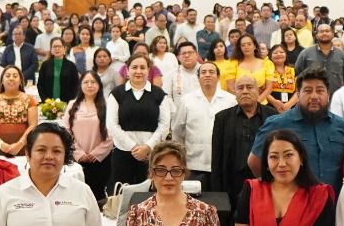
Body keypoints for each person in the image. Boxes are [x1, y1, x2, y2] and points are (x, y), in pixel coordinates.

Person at [248, 71, 344, 191]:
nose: (314, 96)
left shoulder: (343, 127)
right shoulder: (277, 124)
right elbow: (254, 161)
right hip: (291, 205)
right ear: (298, 95)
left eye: (320, 91)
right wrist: (276, 189)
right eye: (307, 91)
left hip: (333, 204)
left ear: (328, 94)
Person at [107, 55, 171, 186]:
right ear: (127, 70)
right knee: (122, 194)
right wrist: (134, 147)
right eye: (134, 67)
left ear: (149, 70)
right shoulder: (117, 94)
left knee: (148, 195)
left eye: (143, 67)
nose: (138, 71)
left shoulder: (159, 94)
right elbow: (112, 125)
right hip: (122, 153)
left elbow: (164, 125)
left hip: (151, 154)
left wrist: (147, 147)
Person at [170, 60, 237, 185]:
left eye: (211, 72)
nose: (207, 75)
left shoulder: (230, 100)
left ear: (218, 76)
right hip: (193, 164)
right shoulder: (187, 101)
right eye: (203, 72)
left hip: (223, 165)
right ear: (198, 77)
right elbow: (177, 131)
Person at [212, 76, 268, 211]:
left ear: (259, 91)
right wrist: (218, 193)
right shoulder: (222, 118)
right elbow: (217, 157)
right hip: (231, 183)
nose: (245, 91)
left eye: (249, 87)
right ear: (235, 93)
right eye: (240, 88)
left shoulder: (272, 116)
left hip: (264, 182)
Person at [65, 71, 114, 200]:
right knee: (77, 197)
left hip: (100, 161)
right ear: (80, 85)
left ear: (99, 85)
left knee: (97, 197)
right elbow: (66, 131)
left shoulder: (108, 105)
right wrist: (78, 153)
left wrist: (96, 154)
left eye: (93, 82)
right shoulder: (72, 105)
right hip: (77, 161)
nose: (89, 85)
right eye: (86, 82)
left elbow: (111, 133)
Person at [0, 66, 38, 157]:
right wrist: (0, 145)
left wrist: (20, 144)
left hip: (23, 148)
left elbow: (33, 125)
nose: (11, 78)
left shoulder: (29, 99)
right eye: (8, 76)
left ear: (20, 81)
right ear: (2, 81)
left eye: (15, 76)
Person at [292, 23, 344, 93]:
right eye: (321, 31)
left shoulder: (342, 55)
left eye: (327, 31)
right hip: (313, 97)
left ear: (333, 34)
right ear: (316, 35)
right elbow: (298, 72)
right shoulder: (305, 53)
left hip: (336, 97)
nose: (324, 33)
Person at [35, 37, 79, 103]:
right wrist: (46, 100)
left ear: (64, 49)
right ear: (51, 50)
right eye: (54, 47)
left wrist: (70, 101)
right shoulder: (45, 65)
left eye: (59, 46)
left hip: (66, 103)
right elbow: (40, 85)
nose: (57, 49)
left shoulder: (71, 66)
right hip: (48, 103)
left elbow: (76, 85)